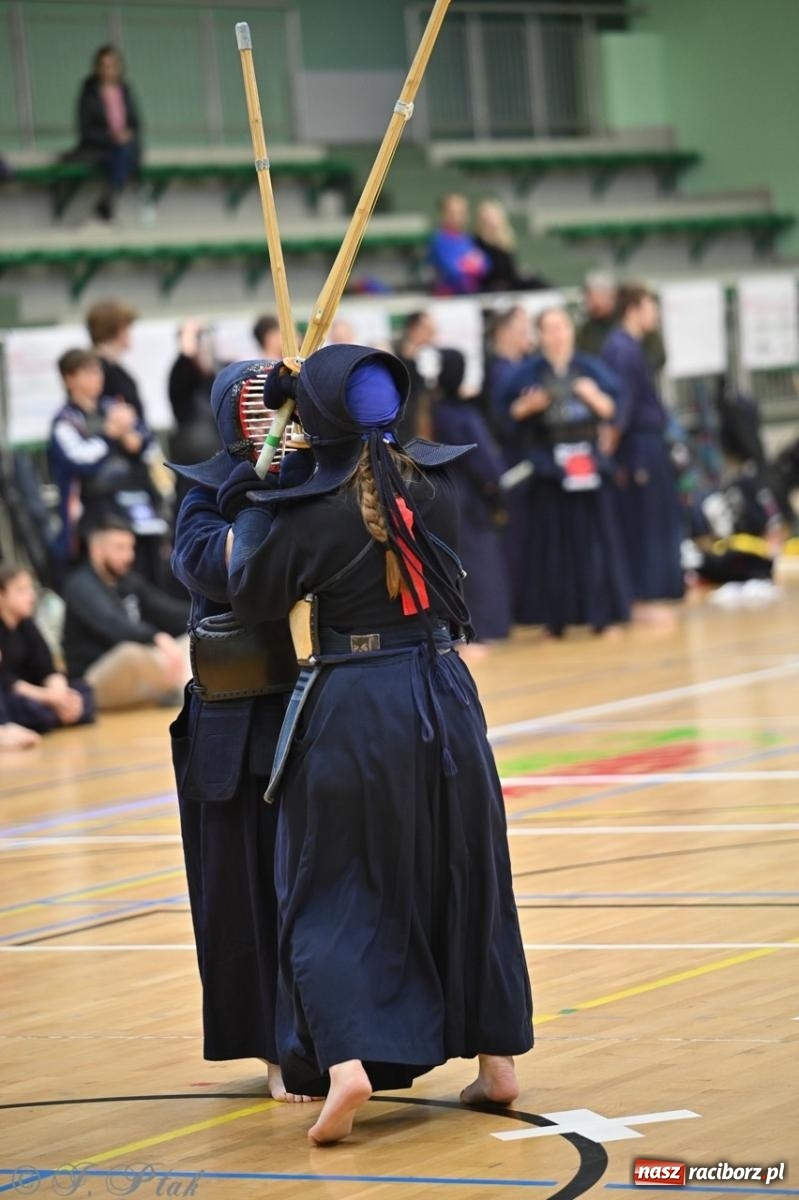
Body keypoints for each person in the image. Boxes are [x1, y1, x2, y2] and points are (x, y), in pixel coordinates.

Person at [227, 344, 533, 1145]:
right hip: (444, 696)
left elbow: (253, 591)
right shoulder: (427, 489)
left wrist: (264, 480)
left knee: (329, 886)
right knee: (464, 873)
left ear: (316, 424)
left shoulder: (309, 512)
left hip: (355, 707)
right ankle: (496, 1061)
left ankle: (347, 1064)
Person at [168, 360, 316, 1102]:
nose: (269, 423)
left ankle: (343, 1039)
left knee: (320, 885)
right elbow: (227, 570)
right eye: (257, 412)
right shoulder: (203, 495)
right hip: (233, 720)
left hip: (312, 710)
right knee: (247, 892)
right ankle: (271, 1047)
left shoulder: (315, 479)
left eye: (279, 410)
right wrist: (256, 490)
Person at [497, 307, 631, 635]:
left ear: (571, 331)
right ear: (540, 335)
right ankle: (555, 619)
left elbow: (614, 408)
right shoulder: (526, 373)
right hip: (548, 466)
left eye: (562, 328)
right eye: (549, 329)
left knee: (593, 543)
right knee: (552, 546)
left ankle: (600, 616)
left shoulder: (590, 368)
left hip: (587, 463)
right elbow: (504, 416)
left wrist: (594, 397)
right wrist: (526, 407)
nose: (557, 336)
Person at [601, 285, 684, 618]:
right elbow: (624, 402)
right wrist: (612, 444)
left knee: (658, 516)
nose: (655, 314)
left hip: (647, 440)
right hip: (636, 446)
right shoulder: (621, 348)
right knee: (643, 518)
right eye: (651, 306)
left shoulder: (631, 345)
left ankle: (658, 589)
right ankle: (644, 596)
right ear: (633, 308)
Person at [48, 348, 159, 570]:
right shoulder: (65, 421)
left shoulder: (114, 407)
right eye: (88, 373)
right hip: (94, 513)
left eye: (98, 372)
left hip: (134, 503)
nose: (97, 378)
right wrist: (109, 435)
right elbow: (80, 461)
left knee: (147, 566)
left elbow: (148, 444)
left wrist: (134, 440)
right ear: (69, 378)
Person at [62, 516, 189, 709]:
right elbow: (113, 624)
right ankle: (184, 694)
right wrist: (157, 637)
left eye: (130, 548)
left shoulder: (128, 581)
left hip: (141, 665)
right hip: (93, 678)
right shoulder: (80, 586)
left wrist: (207, 615)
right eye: (120, 548)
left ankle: (185, 693)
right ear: (97, 550)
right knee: (131, 654)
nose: (129, 555)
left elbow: (167, 610)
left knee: (194, 639)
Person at [431, 349, 511, 646]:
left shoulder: (434, 409)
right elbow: (484, 461)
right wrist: (497, 487)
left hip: (444, 493)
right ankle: (485, 629)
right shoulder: (462, 414)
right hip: (470, 496)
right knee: (480, 565)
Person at [0, 564, 94, 733]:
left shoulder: (27, 624)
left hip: (40, 692)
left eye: (31, 589)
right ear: (2, 595)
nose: (31, 596)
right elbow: (7, 682)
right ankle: (57, 716)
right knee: (22, 707)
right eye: (21, 590)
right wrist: (49, 698)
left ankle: (63, 713)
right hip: (19, 695)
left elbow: (47, 667)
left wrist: (61, 694)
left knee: (83, 690)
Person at [68, 45, 143, 224]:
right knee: (124, 154)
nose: (108, 70)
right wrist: (111, 137)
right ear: (97, 67)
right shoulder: (88, 92)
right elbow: (85, 129)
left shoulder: (125, 90)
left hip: (123, 146)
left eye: (112, 65)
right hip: (97, 147)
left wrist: (127, 133)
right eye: (104, 65)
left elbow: (135, 122)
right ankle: (106, 203)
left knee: (126, 151)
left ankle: (107, 201)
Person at [167, 320, 220, 501]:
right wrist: (189, 333)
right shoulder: (181, 375)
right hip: (193, 469)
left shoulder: (214, 377)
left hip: (217, 463)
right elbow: (186, 358)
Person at [86, 299, 145, 420]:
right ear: (117, 330)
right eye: (127, 328)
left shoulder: (115, 367)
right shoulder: (97, 370)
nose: (130, 334)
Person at [474, 200, 549, 292]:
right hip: (495, 288)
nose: (489, 220)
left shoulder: (505, 240)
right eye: (486, 218)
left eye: (491, 216)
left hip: (511, 283)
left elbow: (511, 269)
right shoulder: (477, 242)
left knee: (538, 283)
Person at [427, 193, 489, 295]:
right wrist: (471, 265)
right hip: (449, 298)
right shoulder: (439, 240)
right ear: (444, 214)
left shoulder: (469, 239)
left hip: (472, 294)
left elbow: (485, 266)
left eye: (462, 213)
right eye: (453, 212)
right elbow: (452, 270)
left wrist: (466, 264)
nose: (458, 217)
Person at [393, 311, 439, 442]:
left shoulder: (424, 357)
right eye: (428, 329)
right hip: (407, 433)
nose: (432, 334)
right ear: (414, 329)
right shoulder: (400, 360)